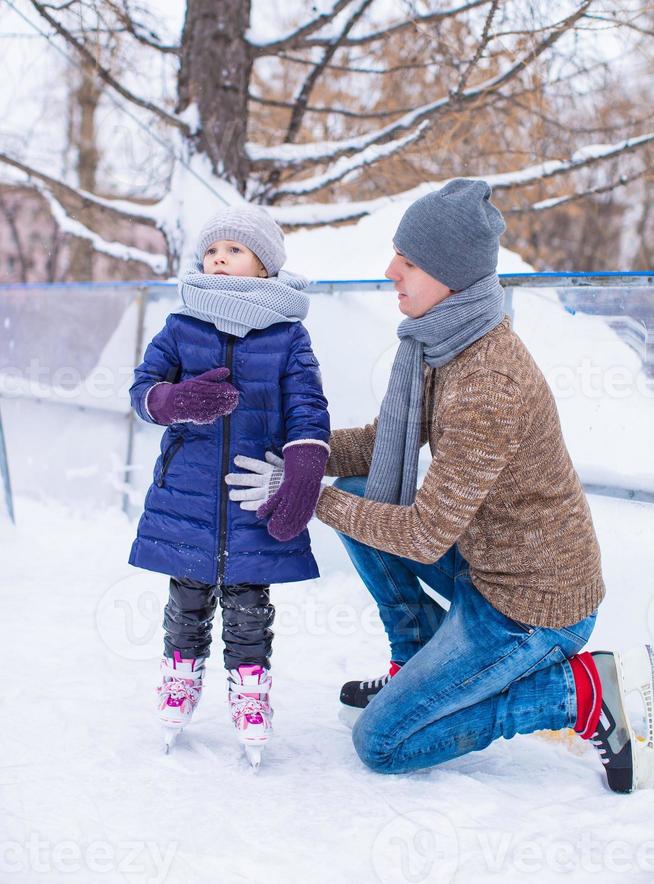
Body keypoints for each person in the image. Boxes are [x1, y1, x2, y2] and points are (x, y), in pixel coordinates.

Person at [228, 179, 654, 792]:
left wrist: (307, 495)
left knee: (383, 743)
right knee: (361, 486)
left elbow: (425, 535)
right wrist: (297, 453)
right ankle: (415, 659)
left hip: (531, 611)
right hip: (486, 566)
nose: (390, 269)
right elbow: (382, 444)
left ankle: (581, 693)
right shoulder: (442, 343)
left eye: (410, 260)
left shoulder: (487, 380)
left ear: (450, 275)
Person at [129, 205, 330, 766]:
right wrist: (170, 400)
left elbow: (308, 408)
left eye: (233, 250)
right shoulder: (181, 326)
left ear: (264, 266)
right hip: (186, 496)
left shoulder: (289, 336)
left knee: (248, 604)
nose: (218, 257)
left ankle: (250, 692)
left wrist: (304, 470)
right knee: (186, 599)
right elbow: (142, 390)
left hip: (252, 494)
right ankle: (180, 677)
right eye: (211, 250)